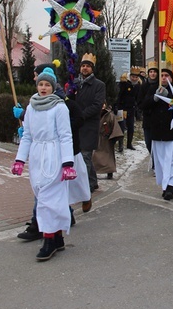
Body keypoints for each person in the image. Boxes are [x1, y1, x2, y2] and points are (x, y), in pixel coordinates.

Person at [11, 68, 77, 261]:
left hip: (54, 155)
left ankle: (48, 239)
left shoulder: (59, 107)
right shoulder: (31, 107)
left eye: (47, 84)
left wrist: (67, 163)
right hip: (37, 156)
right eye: (41, 84)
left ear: (53, 86)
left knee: (48, 199)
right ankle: (57, 238)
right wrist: (20, 160)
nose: (43, 88)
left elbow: (66, 136)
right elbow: (28, 136)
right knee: (42, 194)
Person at [146, 63, 173, 200]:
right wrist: (155, 98)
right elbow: (143, 106)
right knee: (161, 161)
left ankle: (171, 186)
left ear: (171, 77)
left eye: (166, 75)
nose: (163, 78)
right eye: (161, 75)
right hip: (158, 131)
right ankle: (166, 184)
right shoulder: (152, 89)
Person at [68, 53, 105, 192]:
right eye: (83, 65)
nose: (84, 68)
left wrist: (80, 116)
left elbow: (97, 105)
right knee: (81, 156)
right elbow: (69, 101)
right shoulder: (75, 83)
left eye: (88, 66)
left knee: (85, 156)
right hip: (76, 126)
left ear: (92, 69)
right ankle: (93, 181)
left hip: (89, 125)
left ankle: (85, 187)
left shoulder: (99, 85)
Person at [92, 104, 124, 179]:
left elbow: (115, 128)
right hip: (97, 138)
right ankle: (94, 172)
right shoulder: (95, 114)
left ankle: (109, 171)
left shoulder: (110, 116)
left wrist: (113, 137)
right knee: (95, 156)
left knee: (108, 156)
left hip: (107, 139)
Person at [116, 67, 141, 151]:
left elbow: (137, 97)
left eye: (136, 77)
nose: (134, 78)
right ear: (130, 76)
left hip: (131, 108)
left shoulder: (138, 85)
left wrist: (137, 107)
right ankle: (120, 145)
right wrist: (117, 106)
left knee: (131, 127)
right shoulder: (124, 83)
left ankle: (129, 143)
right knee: (121, 127)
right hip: (122, 108)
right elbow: (119, 95)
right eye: (133, 77)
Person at [138, 61, 159, 155]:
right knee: (148, 143)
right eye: (151, 72)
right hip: (147, 119)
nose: (153, 74)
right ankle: (153, 158)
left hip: (158, 119)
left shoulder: (160, 86)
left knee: (157, 143)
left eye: (154, 72)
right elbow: (140, 103)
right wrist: (152, 99)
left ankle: (157, 162)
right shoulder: (144, 86)